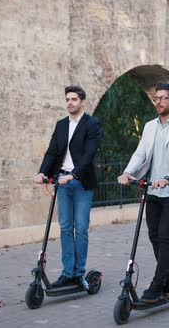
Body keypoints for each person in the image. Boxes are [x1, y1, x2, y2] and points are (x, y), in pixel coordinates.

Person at [117, 82, 169, 302]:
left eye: (163, 98)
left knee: (165, 235)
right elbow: (140, 153)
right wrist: (127, 172)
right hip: (152, 189)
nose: (158, 102)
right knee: (154, 235)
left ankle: (158, 284)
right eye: (156, 98)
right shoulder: (149, 126)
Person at [33, 85, 102, 289]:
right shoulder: (61, 124)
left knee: (80, 229)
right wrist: (43, 172)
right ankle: (67, 273)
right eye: (67, 99)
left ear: (82, 102)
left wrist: (73, 175)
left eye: (73, 99)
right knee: (64, 228)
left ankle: (79, 273)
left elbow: (89, 155)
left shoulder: (92, 124)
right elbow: (52, 151)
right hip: (61, 181)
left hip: (81, 182)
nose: (69, 103)